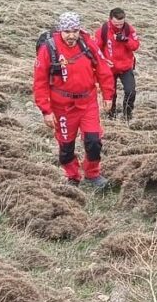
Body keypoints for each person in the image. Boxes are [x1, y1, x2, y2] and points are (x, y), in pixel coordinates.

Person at [33, 12, 115, 189]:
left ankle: (93, 174)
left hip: (88, 103)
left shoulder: (87, 44)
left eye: (75, 31)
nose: (72, 35)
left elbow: (102, 68)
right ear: (60, 30)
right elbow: (39, 82)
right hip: (62, 107)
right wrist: (46, 110)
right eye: (67, 31)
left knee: (93, 141)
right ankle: (73, 176)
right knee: (66, 147)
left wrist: (108, 95)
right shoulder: (48, 49)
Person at [93, 8, 141, 120]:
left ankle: (127, 115)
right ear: (110, 19)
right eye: (116, 24)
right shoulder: (103, 30)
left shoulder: (129, 29)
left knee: (131, 91)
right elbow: (95, 49)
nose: (119, 26)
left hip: (126, 67)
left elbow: (136, 46)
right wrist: (104, 60)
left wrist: (125, 40)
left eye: (121, 23)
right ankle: (111, 115)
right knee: (111, 94)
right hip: (109, 68)